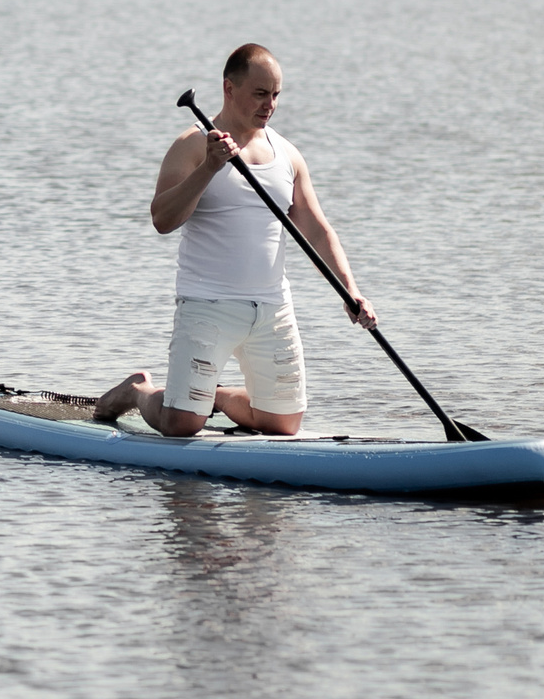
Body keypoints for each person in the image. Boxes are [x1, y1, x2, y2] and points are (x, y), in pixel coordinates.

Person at [96, 43, 377, 436]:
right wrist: (210, 167)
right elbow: (162, 219)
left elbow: (316, 229)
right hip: (207, 304)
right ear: (229, 88)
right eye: (260, 94)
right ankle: (139, 391)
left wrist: (351, 290)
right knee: (180, 425)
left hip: (272, 308)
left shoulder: (288, 155)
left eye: (276, 94)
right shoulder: (193, 146)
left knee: (283, 425)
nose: (270, 105)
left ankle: (217, 397)